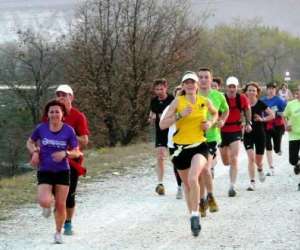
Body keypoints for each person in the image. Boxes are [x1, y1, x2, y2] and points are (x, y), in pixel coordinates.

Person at [160, 71, 218, 237]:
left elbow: (215, 113)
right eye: (187, 83)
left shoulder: (204, 101)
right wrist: (179, 115)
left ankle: (194, 216)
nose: (190, 85)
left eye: (193, 82)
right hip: (180, 149)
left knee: (194, 178)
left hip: (199, 146)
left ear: (197, 85)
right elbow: (163, 125)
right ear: (183, 86)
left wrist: (210, 123)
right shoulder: (178, 102)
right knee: (187, 185)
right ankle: (194, 213)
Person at [26, 100, 82, 244]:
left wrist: (66, 153)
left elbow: (77, 152)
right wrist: (35, 152)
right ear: (47, 114)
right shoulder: (41, 128)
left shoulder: (69, 130)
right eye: (51, 111)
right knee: (44, 201)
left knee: (60, 204)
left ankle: (58, 232)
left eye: (57, 111)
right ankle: (46, 206)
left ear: (63, 114)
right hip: (45, 169)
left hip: (63, 171)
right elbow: (30, 142)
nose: (54, 114)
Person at [55, 84, 90, 235]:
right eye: (59, 95)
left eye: (65, 95)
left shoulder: (78, 116)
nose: (61, 98)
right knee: (52, 193)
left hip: (71, 162)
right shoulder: (51, 113)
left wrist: (67, 135)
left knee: (69, 195)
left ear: (71, 97)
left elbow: (84, 140)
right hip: (52, 160)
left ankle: (68, 223)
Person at [197, 68, 229, 217]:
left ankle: (208, 197)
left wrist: (222, 120)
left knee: (205, 169)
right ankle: (202, 200)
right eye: (201, 77)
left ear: (211, 80)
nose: (203, 80)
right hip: (194, 138)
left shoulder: (218, 96)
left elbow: (225, 110)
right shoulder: (192, 96)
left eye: (206, 77)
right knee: (199, 173)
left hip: (211, 137)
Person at [219, 76, 252, 197]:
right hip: (222, 130)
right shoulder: (221, 98)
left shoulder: (242, 98)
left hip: (236, 130)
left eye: (234, 86)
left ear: (237, 87)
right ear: (226, 87)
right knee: (225, 161)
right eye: (230, 86)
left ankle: (232, 186)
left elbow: (247, 109)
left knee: (234, 158)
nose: (232, 89)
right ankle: (227, 162)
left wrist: (248, 122)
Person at [243, 82, 274, 191]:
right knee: (251, 158)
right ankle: (252, 182)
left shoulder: (261, 103)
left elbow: (272, 115)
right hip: (247, 134)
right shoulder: (242, 104)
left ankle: (260, 169)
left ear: (257, 93)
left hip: (260, 134)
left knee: (258, 161)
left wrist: (262, 119)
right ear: (246, 92)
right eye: (249, 90)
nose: (251, 92)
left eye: (253, 90)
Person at [149, 79, 174, 195]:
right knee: (160, 156)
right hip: (160, 132)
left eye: (161, 89)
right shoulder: (153, 101)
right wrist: (151, 118)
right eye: (157, 89)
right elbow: (152, 113)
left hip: (173, 132)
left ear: (166, 88)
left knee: (176, 159)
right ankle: (160, 183)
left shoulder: (172, 99)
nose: (159, 91)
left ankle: (181, 183)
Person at [160, 85, 183, 199]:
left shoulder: (190, 106)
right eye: (177, 94)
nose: (179, 96)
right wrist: (177, 116)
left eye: (181, 93)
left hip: (189, 140)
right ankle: (180, 186)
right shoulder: (169, 108)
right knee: (177, 165)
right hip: (173, 141)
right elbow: (162, 125)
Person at [261, 82, 287, 176]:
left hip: (277, 126)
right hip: (266, 126)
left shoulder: (280, 100)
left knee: (276, 148)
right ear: (266, 90)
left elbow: (286, 113)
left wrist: (276, 113)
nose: (271, 90)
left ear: (275, 90)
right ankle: (271, 168)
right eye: (269, 88)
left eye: (273, 89)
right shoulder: (262, 100)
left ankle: (278, 149)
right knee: (268, 145)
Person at [283, 85, 300, 191]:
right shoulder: (291, 104)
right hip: (294, 135)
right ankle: (297, 163)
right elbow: (284, 115)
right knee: (292, 160)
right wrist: (286, 125)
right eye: (298, 90)